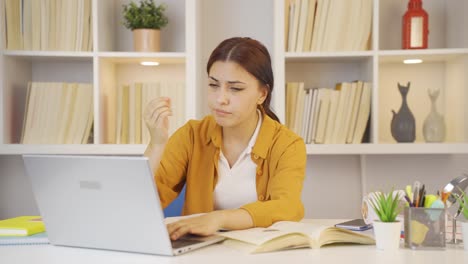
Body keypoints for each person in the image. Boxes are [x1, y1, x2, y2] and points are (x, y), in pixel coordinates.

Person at [143, 37, 306, 240]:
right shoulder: (192, 135)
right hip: (201, 255)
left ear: (262, 94)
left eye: (235, 88)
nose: (220, 99)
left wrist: (219, 219)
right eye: (213, 85)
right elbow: (142, 202)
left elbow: (287, 207)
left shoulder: (287, 144)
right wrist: (156, 144)